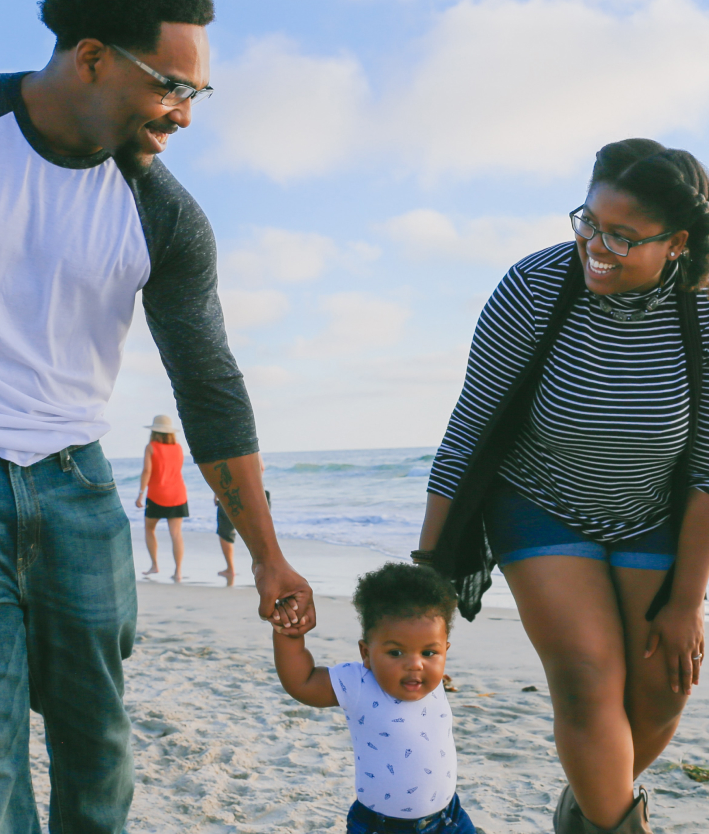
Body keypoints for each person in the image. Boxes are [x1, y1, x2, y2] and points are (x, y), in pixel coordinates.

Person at [0, 2, 314, 832]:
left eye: (198, 94)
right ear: (94, 58)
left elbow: (209, 387)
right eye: (172, 87)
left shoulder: (165, 215)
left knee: (99, 746)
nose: (184, 113)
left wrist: (268, 557)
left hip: (78, 484)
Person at [418, 139, 709, 834]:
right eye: (588, 221)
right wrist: (428, 575)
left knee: (664, 691)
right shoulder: (536, 286)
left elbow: (706, 469)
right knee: (587, 678)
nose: (595, 246)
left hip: (651, 515)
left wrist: (685, 604)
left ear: (676, 244)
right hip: (538, 502)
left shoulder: (703, 312)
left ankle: (588, 809)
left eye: (621, 236)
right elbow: (469, 430)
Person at [273, 562, 476, 834]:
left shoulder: (432, 683)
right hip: (383, 827)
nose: (415, 664)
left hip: (448, 818)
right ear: (366, 653)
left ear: (445, 651)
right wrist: (290, 636)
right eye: (396, 653)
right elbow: (302, 682)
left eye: (429, 653)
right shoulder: (359, 683)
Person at [136, 415, 188, 581]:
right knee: (176, 534)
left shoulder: (151, 447)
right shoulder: (178, 447)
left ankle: (154, 565)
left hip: (157, 494)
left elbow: (147, 471)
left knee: (150, 529)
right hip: (178, 494)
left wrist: (141, 493)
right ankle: (178, 572)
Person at [215, 451, 270, 580]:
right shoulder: (248, 440)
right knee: (259, 532)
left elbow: (218, 471)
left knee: (225, 532)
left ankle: (230, 569)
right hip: (256, 492)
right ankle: (263, 568)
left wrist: (217, 492)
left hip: (230, 491)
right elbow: (261, 467)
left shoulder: (222, 444)